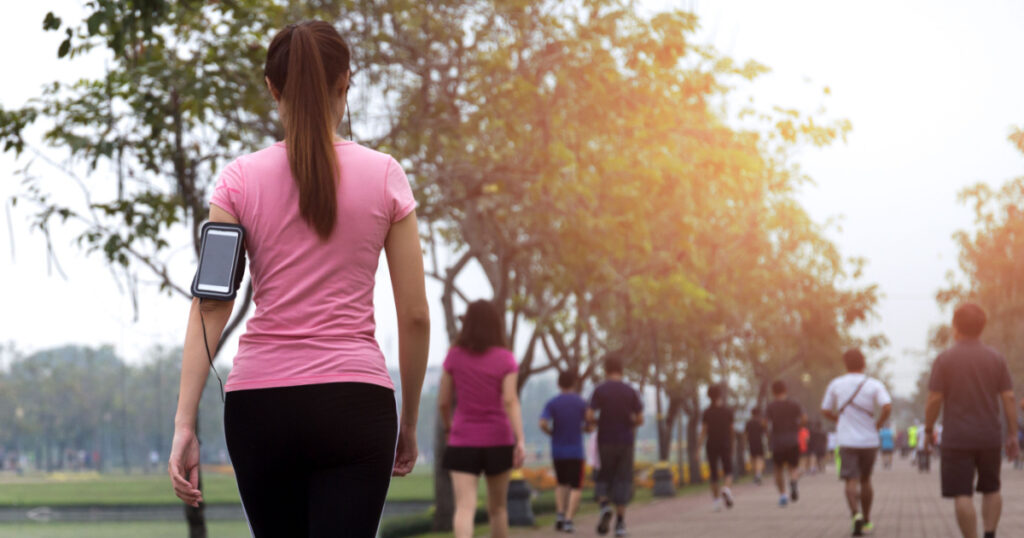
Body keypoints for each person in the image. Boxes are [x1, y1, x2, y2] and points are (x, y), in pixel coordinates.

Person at [167, 20, 430, 537]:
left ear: (272, 88)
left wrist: (184, 422)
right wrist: (410, 421)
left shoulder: (238, 181)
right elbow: (417, 316)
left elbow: (211, 303)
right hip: (356, 404)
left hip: (261, 409)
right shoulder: (385, 175)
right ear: (345, 83)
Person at [925, 303, 1019, 538]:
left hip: (957, 438)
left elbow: (935, 398)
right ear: (982, 327)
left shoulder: (945, 359)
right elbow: (1008, 397)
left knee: (962, 494)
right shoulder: (996, 358)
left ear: (955, 326)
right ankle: (990, 533)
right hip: (989, 436)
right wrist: (1013, 434)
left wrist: (928, 429)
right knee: (992, 488)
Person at [439, 300, 527, 538]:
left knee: (464, 508)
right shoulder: (506, 358)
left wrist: (449, 428)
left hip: (462, 440)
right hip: (498, 439)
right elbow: (510, 400)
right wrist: (520, 440)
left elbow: (443, 402)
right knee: (498, 509)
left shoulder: (454, 357)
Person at [821, 348, 893, 537]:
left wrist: (839, 419)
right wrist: (878, 422)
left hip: (846, 440)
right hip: (869, 440)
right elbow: (887, 405)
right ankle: (867, 519)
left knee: (850, 481)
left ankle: (855, 514)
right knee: (866, 479)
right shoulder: (873, 384)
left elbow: (825, 409)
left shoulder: (836, 384)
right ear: (864, 363)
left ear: (845, 364)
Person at [587, 356, 643, 537]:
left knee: (603, 476)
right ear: (621, 370)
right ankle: (620, 524)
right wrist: (629, 422)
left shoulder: (600, 390)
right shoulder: (630, 391)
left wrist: (599, 421)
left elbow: (589, 415)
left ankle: (604, 507)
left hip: (605, 440)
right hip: (625, 441)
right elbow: (640, 418)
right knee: (623, 479)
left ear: (606, 370)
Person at [540, 371, 590, 533]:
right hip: (576, 451)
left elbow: (542, 423)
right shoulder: (581, 402)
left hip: (558, 450)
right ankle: (569, 520)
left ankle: (560, 514)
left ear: (559, 384)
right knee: (576, 486)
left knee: (561, 483)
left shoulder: (553, 402)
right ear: (574, 383)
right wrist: (584, 428)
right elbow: (591, 422)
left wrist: (551, 432)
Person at [765, 380, 806, 507]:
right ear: (785, 390)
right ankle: (793, 481)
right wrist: (798, 427)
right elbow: (804, 418)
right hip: (792, 440)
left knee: (778, 469)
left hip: (777, 441)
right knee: (793, 467)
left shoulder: (771, 406)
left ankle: (783, 495)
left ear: (773, 392)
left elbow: (765, 423)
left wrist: (769, 434)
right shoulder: (794, 404)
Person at [699, 384, 735, 511]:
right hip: (725, 444)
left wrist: (698, 449)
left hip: (711, 444)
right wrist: (732, 444)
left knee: (713, 473)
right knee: (728, 471)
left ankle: (716, 502)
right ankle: (726, 488)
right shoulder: (728, 411)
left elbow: (703, 431)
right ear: (720, 395)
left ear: (709, 396)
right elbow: (732, 430)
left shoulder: (707, 412)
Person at [744, 408, 766, 485]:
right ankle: (758, 473)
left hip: (751, 443)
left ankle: (756, 474)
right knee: (759, 458)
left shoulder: (748, 423)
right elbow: (765, 432)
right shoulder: (761, 422)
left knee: (753, 458)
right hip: (759, 442)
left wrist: (745, 443)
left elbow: (746, 434)